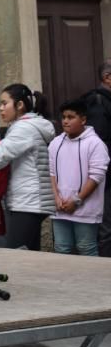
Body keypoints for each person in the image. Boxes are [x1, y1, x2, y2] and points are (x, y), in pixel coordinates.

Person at [0, 83, 55, 251]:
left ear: (19, 105)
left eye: (5, 103)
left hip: (28, 202)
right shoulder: (26, 126)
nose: (1, 108)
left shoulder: (24, 129)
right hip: (30, 201)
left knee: (18, 255)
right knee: (30, 255)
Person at [49, 98, 109, 256]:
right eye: (63, 117)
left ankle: (92, 281)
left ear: (83, 119)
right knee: (62, 248)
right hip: (60, 207)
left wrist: (77, 200)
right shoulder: (56, 143)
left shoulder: (95, 144)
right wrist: (56, 197)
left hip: (85, 209)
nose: (66, 121)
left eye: (71, 117)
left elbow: (96, 176)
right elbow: (52, 173)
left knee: (86, 248)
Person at [82, 59, 111, 256]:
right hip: (106, 178)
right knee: (107, 228)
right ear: (108, 78)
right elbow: (99, 143)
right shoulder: (97, 103)